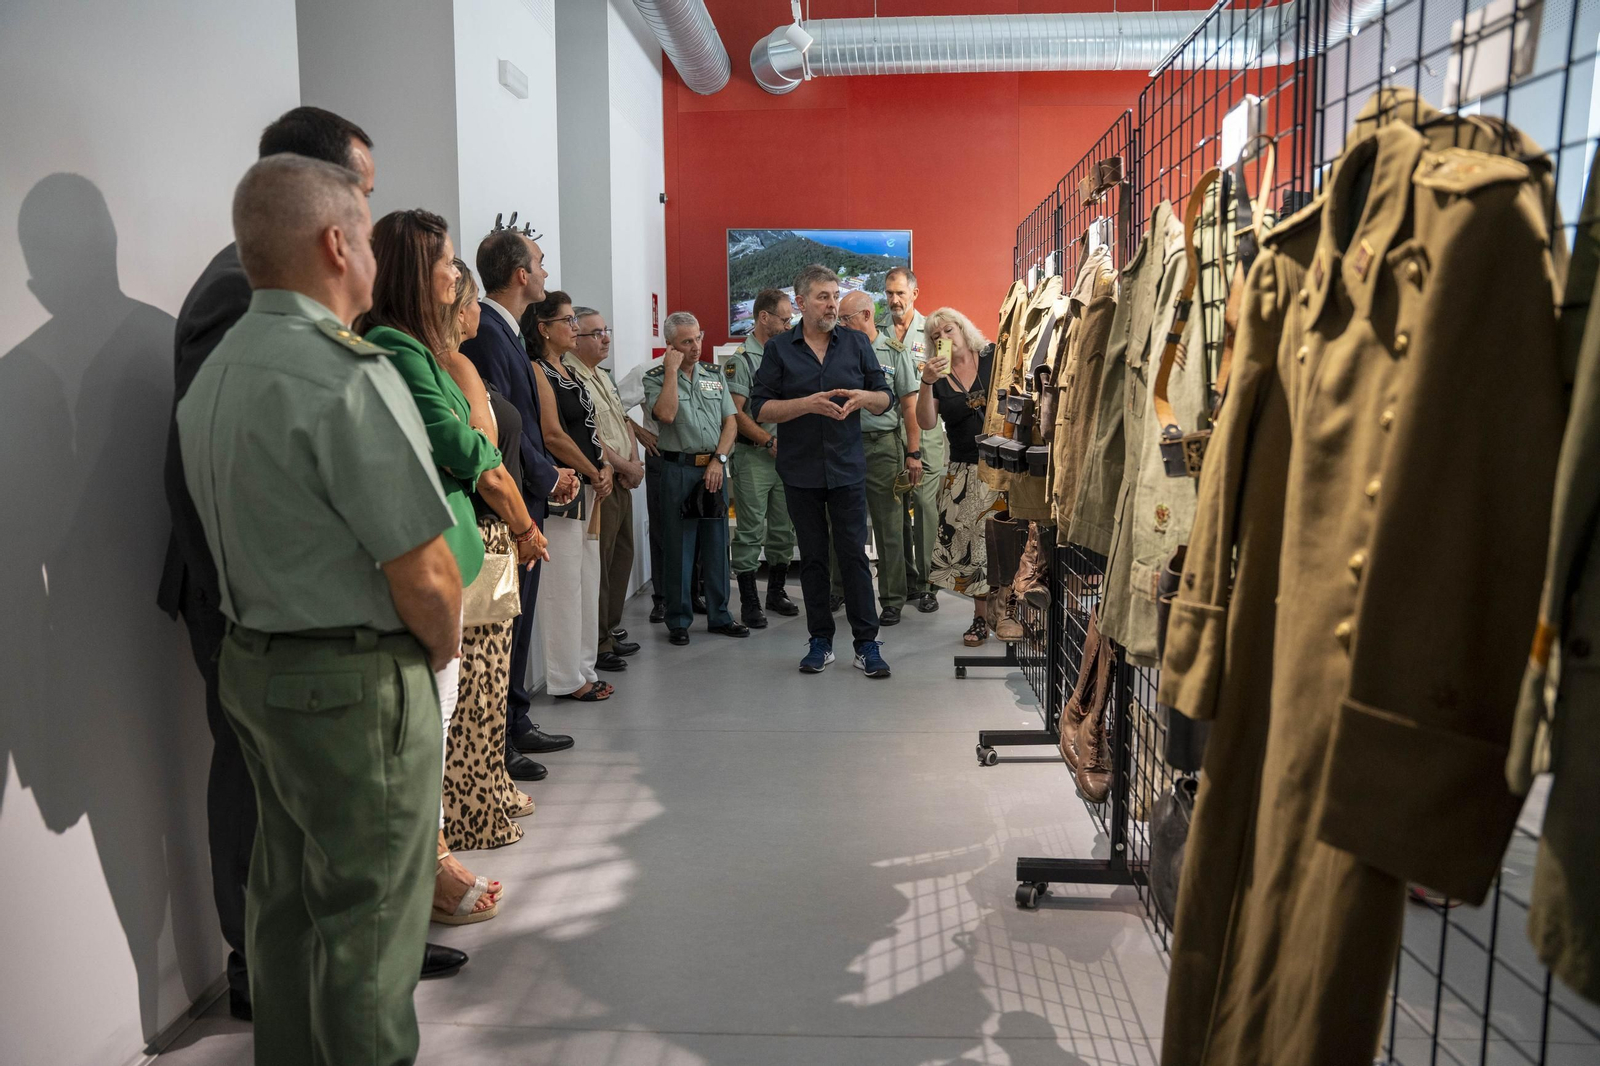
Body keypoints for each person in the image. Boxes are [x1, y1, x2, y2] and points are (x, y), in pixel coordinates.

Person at [155, 106, 465, 1020]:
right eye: (365, 212)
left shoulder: (253, 328)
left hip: (276, 614)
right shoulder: (282, 332)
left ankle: (308, 969)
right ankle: (283, 966)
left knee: (302, 868)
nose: (375, 234)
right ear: (333, 232)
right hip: (294, 621)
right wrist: (436, 640)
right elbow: (285, 486)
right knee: (321, 873)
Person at [356, 208, 514, 925]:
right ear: (421, 274)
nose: (457, 275)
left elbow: (474, 436)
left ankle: (435, 858)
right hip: (422, 567)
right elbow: (461, 441)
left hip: (448, 562)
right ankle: (432, 870)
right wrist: (487, 462)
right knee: (424, 736)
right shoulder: (394, 345)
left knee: (438, 728)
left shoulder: (418, 347)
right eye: (449, 263)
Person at [437, 262, 566, 849]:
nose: (543, 273)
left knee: (495, 666)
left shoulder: (483, 344)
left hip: (507, 513)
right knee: (475, 681)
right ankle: (478, 789)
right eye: (537, 264)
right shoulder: (467, 351)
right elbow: (481, 450)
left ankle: (494, 769)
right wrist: (527, 507)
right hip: (488, 523)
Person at [459, 229, 579, 777]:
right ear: (520, 275)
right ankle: (501, 738)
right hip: (506, 502)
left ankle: (516, 720)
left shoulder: (506, 331)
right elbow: (502, 426)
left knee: (519, 617)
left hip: (525, 490)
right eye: (541, 263)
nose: (547, 273)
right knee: (504, 621)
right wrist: (547, 472)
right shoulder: (485, 334)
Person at [750, 265, 894, 678]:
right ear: (801, 303)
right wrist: (805, 404)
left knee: (854, 557)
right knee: (812, 559)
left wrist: (866, 397)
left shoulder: (855, 344)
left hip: (848, 467)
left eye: (835, 296)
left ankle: (867, 644)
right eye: (823, 297)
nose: (833, 304)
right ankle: (821, 641)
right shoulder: (779, 350)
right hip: (800, 470)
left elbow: (885, 398)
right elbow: (760, 407)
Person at [524, 291, 616, 699]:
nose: (574, 327)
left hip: (588, 487)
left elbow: (589, 427)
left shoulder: (570, 371)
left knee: (586, 578)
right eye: (567, 320)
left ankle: (584, 667)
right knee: (563, 585)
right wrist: (594, 469)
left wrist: (606, 467)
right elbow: (553, 434)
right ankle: (565, 678)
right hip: (565, 490)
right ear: (543, 329)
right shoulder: (539, 370)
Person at [645, 312, 747, 645]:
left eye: (698, 338)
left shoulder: (715, 375)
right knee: (679, 547)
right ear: (670, 345)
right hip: (678, 469)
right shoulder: (657, 377)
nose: (695, 347)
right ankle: (678, 620)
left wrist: (719, 460)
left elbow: (730, 423)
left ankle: (720, 615)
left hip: (713, 468)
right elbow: (666, 414)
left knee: (717, 546)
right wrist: (672, 370)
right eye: (686, 342)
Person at [915, 307, 1002, 647]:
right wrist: (926, 382)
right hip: (964, 469)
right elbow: (924, 422)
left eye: (948, 330)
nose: (944, 339)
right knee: (971, 550)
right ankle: (981, 618)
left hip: (1004, 465)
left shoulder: (993, 356)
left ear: (964, 329)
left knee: (1006, 543)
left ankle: (1011, 611)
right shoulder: (938, 377)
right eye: (935, 336)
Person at [837, 289, 922, 626]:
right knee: (841, 525)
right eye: (840, 319)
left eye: (847, 318)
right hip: (844, 445)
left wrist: (913, 453)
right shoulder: (837, 349)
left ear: (867, 316)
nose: (841, 324)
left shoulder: (894, 352)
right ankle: (839, 590)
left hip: (883, 446)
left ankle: (891, 599)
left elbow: (909, 405)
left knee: (889, 526)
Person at [567, 307, 644, 671]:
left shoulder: (601, 375)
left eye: (605, 330)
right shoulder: (572, 378)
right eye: (596, 333)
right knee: (599, 565)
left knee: (620, 557)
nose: (606, 338)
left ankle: (610, 630)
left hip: (622, 476)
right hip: (603, 479)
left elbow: (622, 419)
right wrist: (623, 465)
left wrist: (635, 460)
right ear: (575, 338)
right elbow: (591, 434)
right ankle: (598, 643)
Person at [724, 288, 801, 628]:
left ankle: (777, 592)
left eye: (790, 319)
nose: (789, 325)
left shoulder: (789, 354)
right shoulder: (741, 360)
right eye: (784, 319)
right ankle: (750, 601)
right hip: (755, 455)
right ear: (763, 317)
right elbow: (736, 414)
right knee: (751, 530)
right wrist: (768, 440)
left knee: (783, 530)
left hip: (788, 455)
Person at [883, 267, 942, 614]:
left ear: (914, 294)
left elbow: (945, 382)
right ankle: (904, 579)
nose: (894, 300)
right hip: (891, 434)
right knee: (895, 508)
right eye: (889, 293)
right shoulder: (876, 334)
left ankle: (928, 584)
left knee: (923, 506)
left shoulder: (935, 331)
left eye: (900, 293)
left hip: (927, 431)